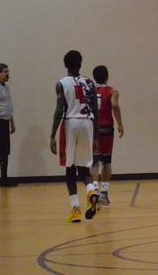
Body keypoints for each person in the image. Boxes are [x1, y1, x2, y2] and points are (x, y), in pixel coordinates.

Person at [49, 50, 100, 223]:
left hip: (70, 123)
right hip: (87, 123)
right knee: (84, 168)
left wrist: (52, 134)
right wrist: (96, 136)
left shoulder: (61, 84)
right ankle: (91, 190)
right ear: (80, 63)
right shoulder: (90, 83)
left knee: (69, 168)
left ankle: (75, 208)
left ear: (65, 64)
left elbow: (59, 110)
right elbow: (95, 111)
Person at [90, 65, 124, 205]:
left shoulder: (90, 90)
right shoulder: (112, 91)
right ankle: (104, 194)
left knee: (94, 162)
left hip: (93, 129)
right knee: (107, 162)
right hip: (106, 129)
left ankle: (94, 192)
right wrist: (120, 124)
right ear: (107, 76)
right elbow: (114, 105)